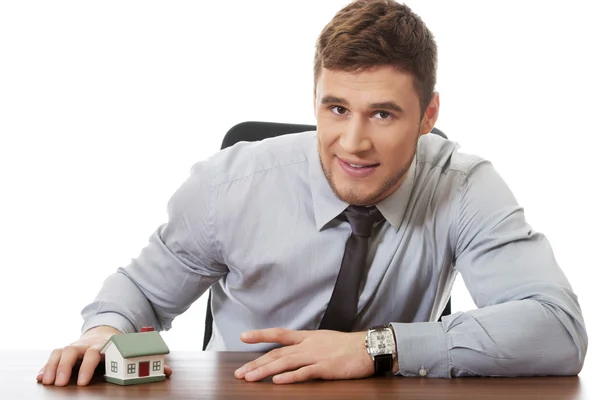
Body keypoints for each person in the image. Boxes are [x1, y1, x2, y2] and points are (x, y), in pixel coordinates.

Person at [38, 0, 587, 387]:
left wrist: (376, 348)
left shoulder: (464, 187)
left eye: (383, 114)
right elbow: (143, 293)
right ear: (316, 99)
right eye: (337, 108)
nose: (354, 143)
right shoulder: (228, 186)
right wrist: (103, 334)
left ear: (429, 116)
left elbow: (557, 329)